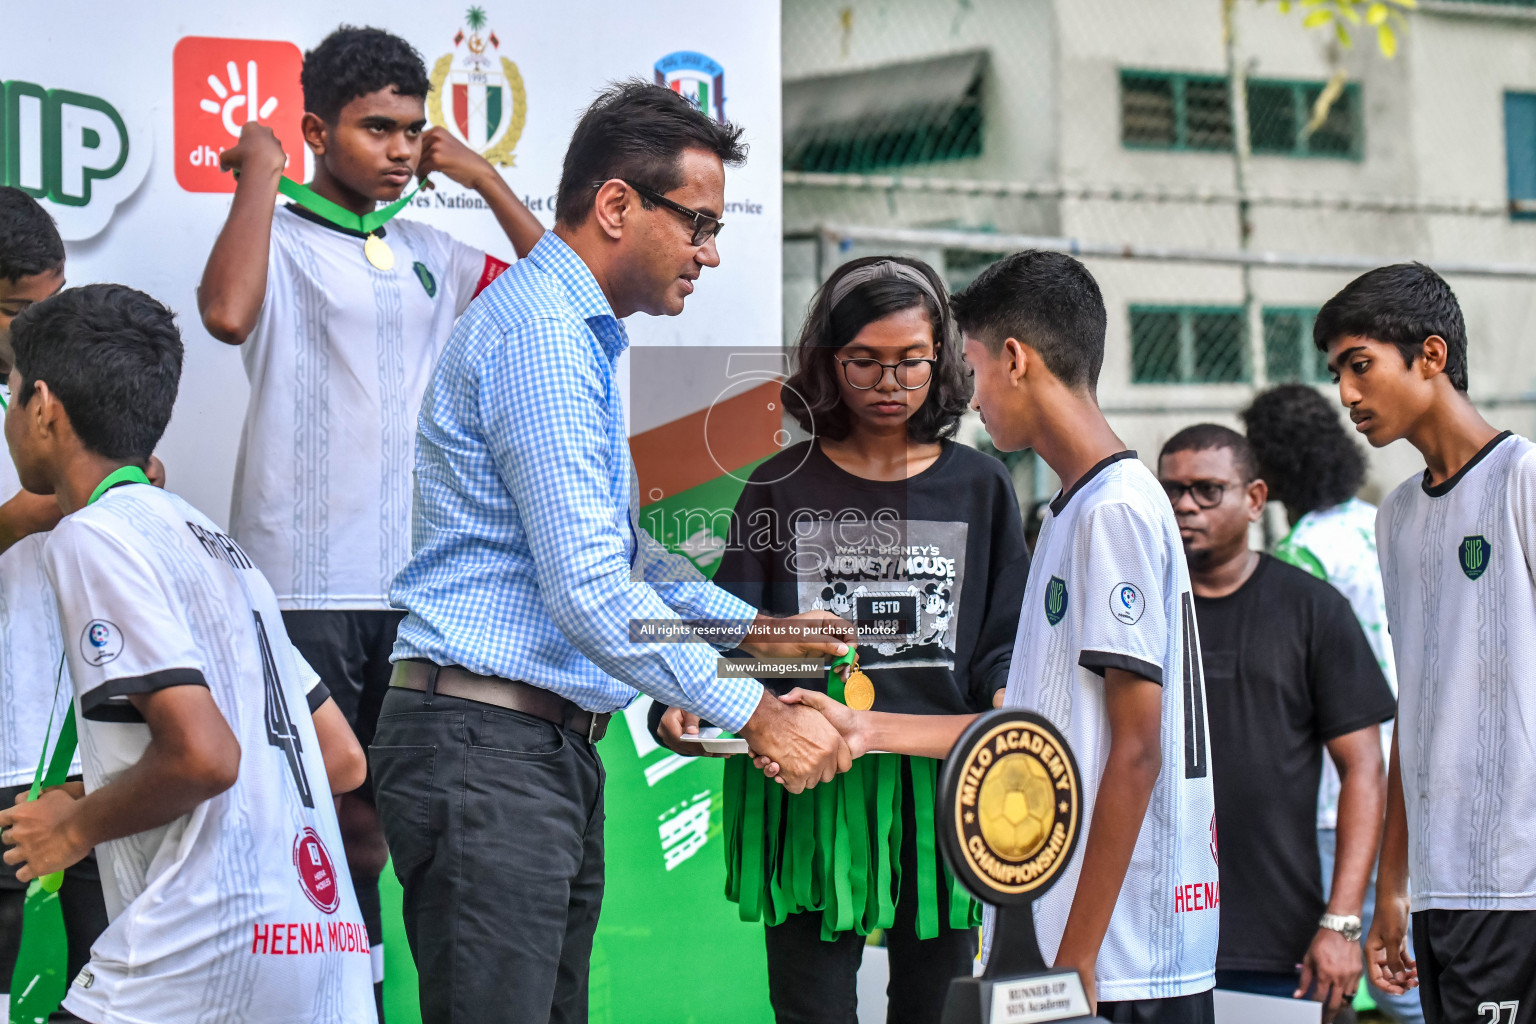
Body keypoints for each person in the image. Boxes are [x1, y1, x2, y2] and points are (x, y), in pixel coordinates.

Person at [374, 81, 855, 1024]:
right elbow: (591, 591)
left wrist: (759, 629)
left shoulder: (575, 336)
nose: (712, 253)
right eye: (700, 225)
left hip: (525, 750)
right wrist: (753, 711)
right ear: (617, 205)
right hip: (488, 751)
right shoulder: (546, 339)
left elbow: (624, 557)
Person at [195, 26, 545, 1011]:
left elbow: (564, 298)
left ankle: (379, 997)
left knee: (398, 832)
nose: (399, 149)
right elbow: (226, 313)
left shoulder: (433, 247)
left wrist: (477, 175)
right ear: (317, 129)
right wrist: (260, 173)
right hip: (296, 589)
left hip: (417, 594)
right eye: (375, 128)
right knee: (313, 831)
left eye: (412, 130)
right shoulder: (272, 233)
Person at [776, 250, 1219, 1022]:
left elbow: (1136, 747)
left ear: (1014, 360)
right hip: (1073, 944)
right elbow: (1030, 734)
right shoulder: (1069, 511)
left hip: (1117, 960)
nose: (965, 393)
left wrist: (1072, 968)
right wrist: (865, 725)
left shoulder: (1109, 510)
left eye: (964, 366)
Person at [650, 256, 1030, 1024]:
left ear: (943, 362)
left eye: (910, 362)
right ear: (829, 362)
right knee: (811, 1009)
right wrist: (691, 700)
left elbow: (1002, 638)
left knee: (939, 1006)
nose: (889, 382)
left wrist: (1008, 698)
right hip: (805, 781)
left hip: (941, 787)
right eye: (864, 362)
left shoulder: (983, 486)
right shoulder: (778, 483)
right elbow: (738, 638)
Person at [0, 284, 374, 1023]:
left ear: (44, 406)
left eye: (11, 398)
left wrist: (70, 829)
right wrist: (82, 794)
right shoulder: (213, 542)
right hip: (318, 949)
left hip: (198, 953)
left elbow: (205, 757)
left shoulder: (91, 535)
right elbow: (340, 758)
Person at [1316, 263, 1536, 1024]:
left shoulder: (1524, 480)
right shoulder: (1397, 517)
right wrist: (1393, 883)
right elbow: (1418, 705)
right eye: (1339, 372)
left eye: (1360, 365)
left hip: (1518, 886)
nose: (1346, 393)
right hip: (1439, 892)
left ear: (1431, 356)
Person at [1158, 424, 1394, 1022]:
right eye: (1172, 490)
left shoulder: (1312, 608)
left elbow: (1365, 767)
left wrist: (1341, 924)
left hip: (1278, 942)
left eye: (1208, 490)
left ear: (1256, 499)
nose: (1185, 504)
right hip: (1148, 936)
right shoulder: (1132, 608)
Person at [1242, 384, 1422, 1024]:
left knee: (1338, 965)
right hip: (1405, 767)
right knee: (1401, 960)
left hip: (1335, 793)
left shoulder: (1298, 559)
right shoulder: (1378, 524)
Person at [0, 188, 106, 1022]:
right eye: (15, 311)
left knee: (96, 994)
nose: (36, 330)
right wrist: (24, 515)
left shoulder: (68, 376)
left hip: (77, 761)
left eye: (50, 306)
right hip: (4, 764)